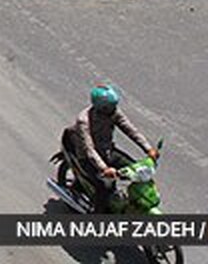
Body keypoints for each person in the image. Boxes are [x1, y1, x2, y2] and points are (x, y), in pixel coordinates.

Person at [66, 84, 158, 213]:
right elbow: (89, 150)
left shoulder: (114, 113)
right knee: (104, 189)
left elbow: (130, 129)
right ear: (102, 107)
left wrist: (148, 149)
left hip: (107, 151)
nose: (114, 109)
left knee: (139, 172)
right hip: (88, 159)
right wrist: (104, 168)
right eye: (110, 107)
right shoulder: (84, 121)